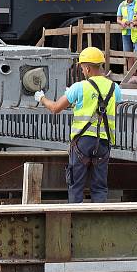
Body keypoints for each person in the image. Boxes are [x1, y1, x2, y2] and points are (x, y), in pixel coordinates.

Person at [35, 47, 122, 203]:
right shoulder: (114, 88)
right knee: (100, 187)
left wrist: (41, 98)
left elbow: (55, 108)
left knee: (76, 185)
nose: (82, 71)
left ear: (87, 68)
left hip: (82, 142)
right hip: (104, 141)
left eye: (82, 68)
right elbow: (112, 111)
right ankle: (98, 220)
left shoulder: (79, 87)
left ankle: (74, 220)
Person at [117, 0, 137, 71]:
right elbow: (118, 19)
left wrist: (132, 22)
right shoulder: (121, 5)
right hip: (126, 32)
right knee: (128, 54)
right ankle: (131, 73)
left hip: (136, 32)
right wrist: (122, 22)